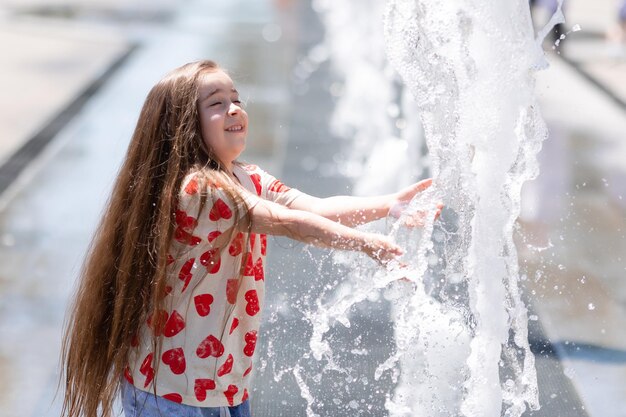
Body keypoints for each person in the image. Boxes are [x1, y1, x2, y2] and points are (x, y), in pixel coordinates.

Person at [60, 60, 439, 417]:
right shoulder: (200, 189)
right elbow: (291, 223)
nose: (234, 109)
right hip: (172, 392)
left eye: (236, 100)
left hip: (220, 383)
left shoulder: (247, 177)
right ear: (184, 125)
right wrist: (368, 245)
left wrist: (388, 205)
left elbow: (312, 208)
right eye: (217, 104)